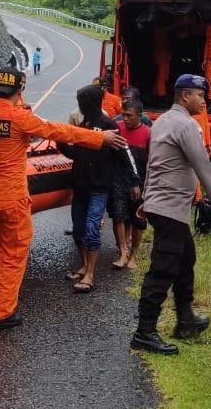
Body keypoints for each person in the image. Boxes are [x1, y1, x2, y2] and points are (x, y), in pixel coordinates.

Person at [0, 67, 127, 330]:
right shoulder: (20, 119)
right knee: (15, 251)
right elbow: (59, 131)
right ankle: (2, 313)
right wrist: (100, 137)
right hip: (10, 198)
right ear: (19, 91)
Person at [131, 74, 211, 355]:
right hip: (170, 208)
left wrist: (146, 198)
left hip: (164, 205)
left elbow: (153, 165)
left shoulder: (162, 121)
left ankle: (185, 319)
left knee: (185, 258)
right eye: (200, 96)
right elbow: (203, 166)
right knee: (162, 269)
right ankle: (144, 332)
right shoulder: (186, 125)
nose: (204, 101)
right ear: (185, 95)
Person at [59, 85, 136, 293]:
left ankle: (90, 274)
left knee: (92, 228)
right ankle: (84, 265)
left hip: (99, 187)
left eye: (82, 101)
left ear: (91, 102)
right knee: (78, 230)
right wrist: (60, 143)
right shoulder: (83, 124)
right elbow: (75, 153)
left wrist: (134, 180)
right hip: (80, 185)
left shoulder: (109, 125)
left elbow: (124, 154)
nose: (80, 105)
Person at [111, 97, 149, 270]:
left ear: (139, 115)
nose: (124, 119)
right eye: (123, 115)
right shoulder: (117, 128)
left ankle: (134, 254)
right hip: (119, 179)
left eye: (129, 115)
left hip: (139, 182)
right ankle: (122, 252)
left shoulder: (148, 133)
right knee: (118, 216)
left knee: (138, 220)